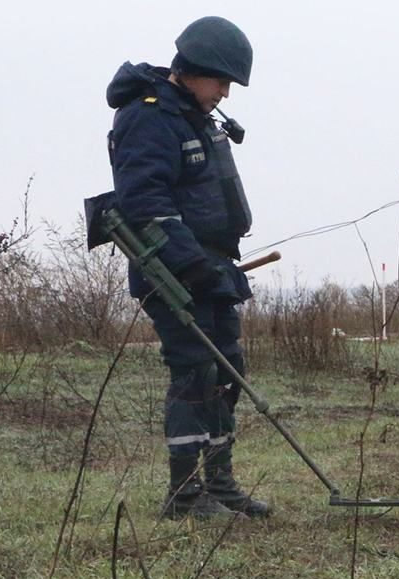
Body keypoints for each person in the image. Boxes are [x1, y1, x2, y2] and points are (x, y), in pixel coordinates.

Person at [105, 16, 268, 519]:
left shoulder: (195, 117)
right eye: (221, 81)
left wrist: (212, 265)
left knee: (226, 371)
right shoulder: (148, 117)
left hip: (214, 268)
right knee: (193, 372)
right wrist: (188, 264)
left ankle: (220, 484)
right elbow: (145, 202)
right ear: (193, 70)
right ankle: (184, 494)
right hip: (174, 273)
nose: (224, 93)